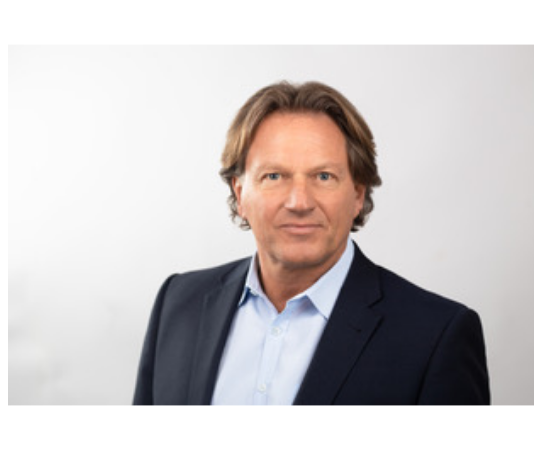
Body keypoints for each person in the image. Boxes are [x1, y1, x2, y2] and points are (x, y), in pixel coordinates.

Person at [133, 81, 490, 405]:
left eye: (324, 176)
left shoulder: (436, 336)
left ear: (357, 194)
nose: (299, 202)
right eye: (274, 176)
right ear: (240, 194)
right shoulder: (177, 303)